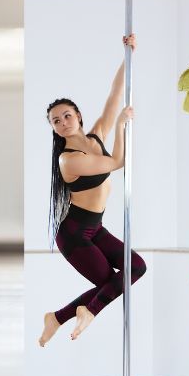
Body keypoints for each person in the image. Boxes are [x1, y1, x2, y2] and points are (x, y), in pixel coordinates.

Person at [40, 34, 143, 346]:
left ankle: (59, 317)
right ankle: (83, 313)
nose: (63, 123)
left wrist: (129, 54)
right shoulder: (68, 159)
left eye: (67, 115)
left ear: (79, 115)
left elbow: (114, 95)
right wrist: (123, 128)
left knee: (135, 267)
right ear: (54, 128)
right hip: (73, 234)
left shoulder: (96, 135)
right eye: (56, 121)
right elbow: (118, 161)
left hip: (94, 229)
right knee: (108, 282)